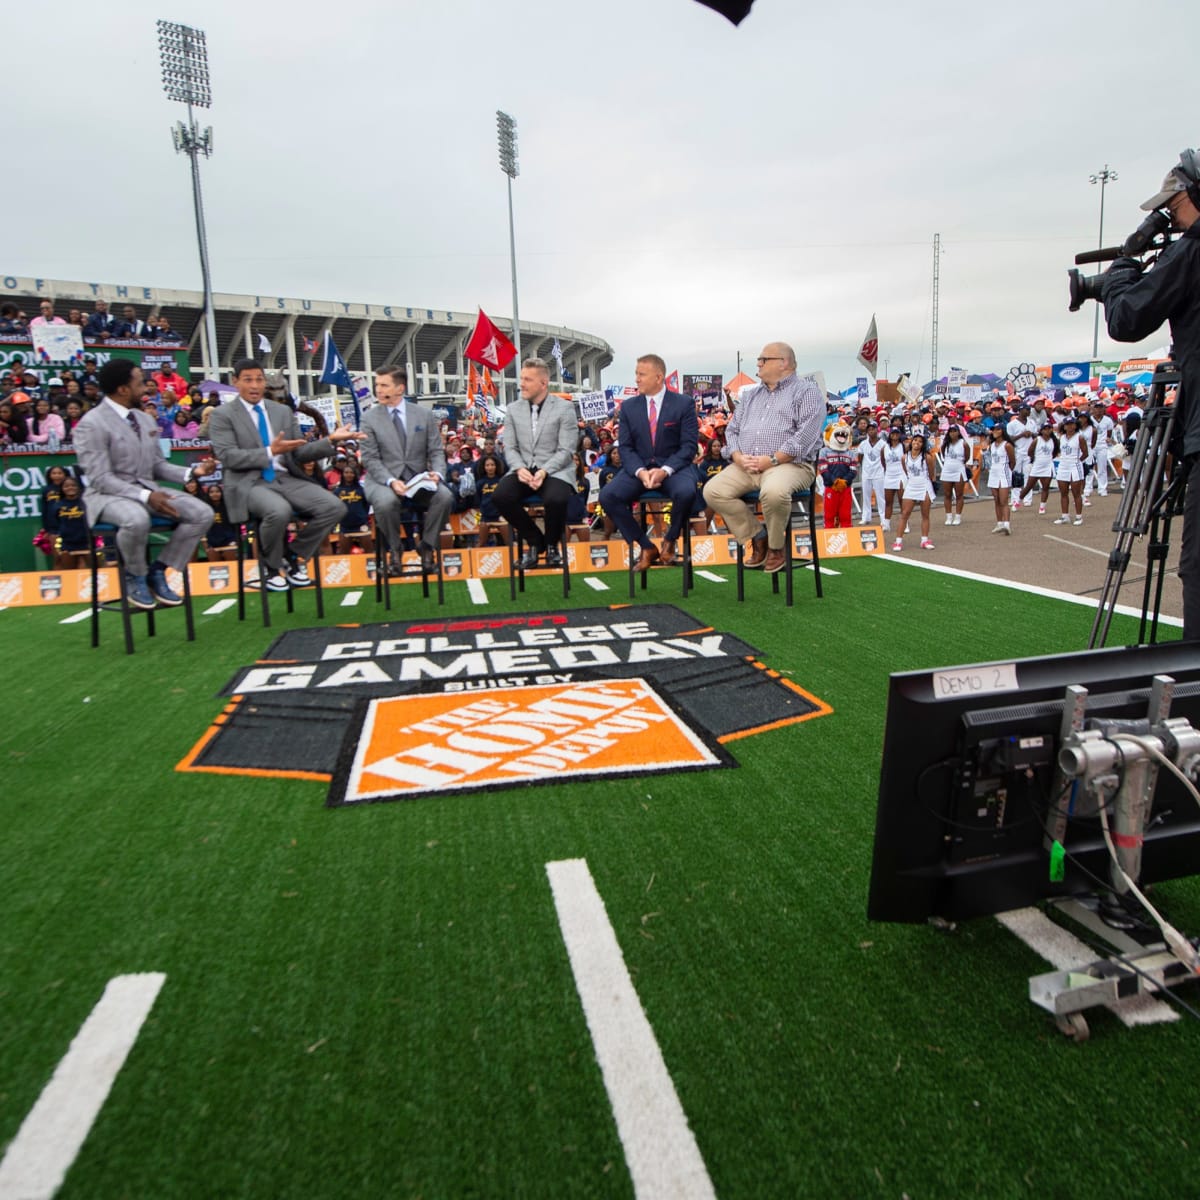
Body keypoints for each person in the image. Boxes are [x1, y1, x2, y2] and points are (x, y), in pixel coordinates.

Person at [1102, 150, 1200, 638]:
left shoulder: (1194, 250)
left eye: (1174, 207)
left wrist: (1124, 265)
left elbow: (1126, 319)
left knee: (1197, 569)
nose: (1172, 220)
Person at [71, 359, 215, 610]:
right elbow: (100, 478)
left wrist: (194, 472)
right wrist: (147, 496)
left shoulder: (146, 420)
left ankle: (157, 571)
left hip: (148, 490)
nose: (147, 390)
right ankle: (134, 576)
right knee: (136, 519)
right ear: (123, 389)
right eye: (139, 383)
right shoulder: (91, 424)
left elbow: (157, 465)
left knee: (202, 513)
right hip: (106, 496)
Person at [207, 358, 358, 592]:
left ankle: (292, 555)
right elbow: (228, 457)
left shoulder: (283, 412)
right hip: (249, 482)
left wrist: (330, 441)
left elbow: (298, 452)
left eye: (259, 379)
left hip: (287, 478)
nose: (255, 385)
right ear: (235, 382)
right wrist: (269, 451)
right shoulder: (222, 415)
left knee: (334, 507)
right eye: (248, 380)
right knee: (279, 511)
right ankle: (270, 566)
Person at [702, 343, 823, 573]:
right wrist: (736, 456)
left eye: (763, 359)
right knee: (712, 491)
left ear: (783, 363)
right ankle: (758, 536)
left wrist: (773, 460)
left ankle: (776, 549)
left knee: (774, 492)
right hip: (746, 465)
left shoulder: (806, 391)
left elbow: (805, 436)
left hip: (790, 464)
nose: (758, 363)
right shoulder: (750, 395)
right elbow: (732, 430)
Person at [599, 353, 700, 570]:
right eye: (636, 373)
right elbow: (625, 447)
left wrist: (665, 470)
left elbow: (689, 447)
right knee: (608, 496)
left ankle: (670, 540)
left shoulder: (684, 404)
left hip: (674, 467)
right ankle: (646, 546)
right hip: (639, 467)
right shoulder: (628, 407)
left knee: (687, 492)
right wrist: (640, 472)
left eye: (641, 374)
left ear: (658, 377)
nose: (636, 379)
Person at [359, 366, 453, 573]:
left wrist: (436, 474)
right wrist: (391, 481)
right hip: (383, 480)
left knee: (444, 497)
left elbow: (436, 451)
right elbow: (370, 458)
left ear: (400, 388)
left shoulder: (423, 415)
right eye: (377, 385)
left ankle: (427, 546)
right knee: (386, 502)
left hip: (417, 479)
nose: (378, 390)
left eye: (384, 385)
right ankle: (395, 550)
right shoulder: (369, 418)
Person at [491, 357, 578, 570]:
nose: (521, 384)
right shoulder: (513, 409)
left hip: (554, 469)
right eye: (521, 378)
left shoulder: (564, 408)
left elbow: (566, 450)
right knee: (501, 496)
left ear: (543, 383)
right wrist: (520, 468)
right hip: (522, 468)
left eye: (527, 379)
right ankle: (535, 541)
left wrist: (544, 471)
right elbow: (509, 447)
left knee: (557, 498)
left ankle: (551, 546)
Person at [892, 431, 936, 552]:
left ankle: (924, 540)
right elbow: (906, 472)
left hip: (924, 485)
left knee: (925, 514)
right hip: (911, 485)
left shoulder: (927, 457)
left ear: (923, 444)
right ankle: (898, 541)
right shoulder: (904, 457)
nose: (917, 443)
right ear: (912, 442)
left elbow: (932, 474)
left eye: (920, 441)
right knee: (905, 513)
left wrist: (929, 482)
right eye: (915, 440)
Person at [1053, 414, 1086, 525]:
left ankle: (1078, 516)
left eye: (1072, 424)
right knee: (1063, 492)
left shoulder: (1079, 437)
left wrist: (1077, 461)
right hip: (1063, 465)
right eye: (1067, 425)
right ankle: (1065, 516)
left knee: (1076, 492)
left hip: (1074, 464)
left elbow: (1085, 453)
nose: (1070, 426)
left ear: (1075, 426)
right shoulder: (1062, 437)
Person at [1019, 423, 1059, 514]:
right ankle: (1018, 501)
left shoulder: (1053, 440)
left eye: (1049, 428)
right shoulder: (1037, 440)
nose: (1047, 430)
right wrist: (1035, 459)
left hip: (1048, 465)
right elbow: (1030, 452)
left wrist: (1048, 458)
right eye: (1045, 429)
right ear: (1041, 431)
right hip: (1037, 465)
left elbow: (1055, 451)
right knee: (1029, 486)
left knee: (1045, 487)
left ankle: (1042, 506)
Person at [856, 421, 887, 527]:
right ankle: (866, 517)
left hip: (879, 473)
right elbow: (860, 456)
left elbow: (885, 458)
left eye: (873, 429)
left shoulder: (883, 444)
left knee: (880, 497)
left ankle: (883, 519)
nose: (871, 431)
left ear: (877, 430)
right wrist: (865, 467)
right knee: (866, 496)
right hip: (867, 473)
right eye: (869, 429)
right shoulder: (863, 444)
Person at [986, 425, 1016, 534]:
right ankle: (999, 523)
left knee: (1003, 500)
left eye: (998, 429)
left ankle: (1007, 524)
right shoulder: (992, 445)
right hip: (994, 472)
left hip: (1003, 472)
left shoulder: (1007, 445)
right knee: (996, 499)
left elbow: (1013, 461)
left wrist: (1008, 471)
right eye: (993, 429)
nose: (995, 431)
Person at [938, 424, 969, 526]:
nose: (953, 433)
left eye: (955, 431)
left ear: (958, 432)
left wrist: (960, 463)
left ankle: (958, 516)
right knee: (947, 494)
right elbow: (942, 453)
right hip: (947, 470)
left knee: (959, 494)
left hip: (958, 469)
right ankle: (949, 516)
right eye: (951, 431)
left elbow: (967, 456)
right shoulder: (945, 444)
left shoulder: (963, 443)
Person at [881, 427, 907, 531]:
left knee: (902, 500)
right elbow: (883, 462)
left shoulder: (903, 447)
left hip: (900, 475)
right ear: (890, 435)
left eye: (897, 433)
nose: (895, 435)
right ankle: (886, 524)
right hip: (889, 476)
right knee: (888, 501)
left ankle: (905, 524)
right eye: (893, 433)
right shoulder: (884, 448)